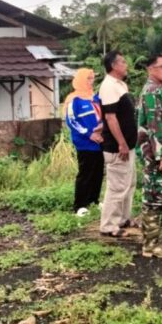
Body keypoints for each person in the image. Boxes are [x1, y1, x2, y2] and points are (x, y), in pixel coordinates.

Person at [136, 54, 162, 258]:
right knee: (154, 197)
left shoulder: (157, 90)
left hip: (156, 154)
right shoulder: (151, 92)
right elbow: (154, 127)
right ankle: (150, 246)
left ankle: (152, 239)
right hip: (155, 156)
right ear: (151, 69)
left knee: (156, 195)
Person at [99, 50, 137, 237]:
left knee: (128, 184)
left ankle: (123, 218)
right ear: (114, 66)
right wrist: (121, 143)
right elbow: (111, 117)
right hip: (117, 148)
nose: (126, 64)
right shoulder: (108, 86)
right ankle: (108, 225)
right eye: (123, 62)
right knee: (117, 187)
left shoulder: (120, 84)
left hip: (128, 146)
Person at [64, 68, 104, 217]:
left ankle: (93, 200)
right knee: (85, 173)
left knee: (98, 172)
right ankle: (80, 205)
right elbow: (71, 121)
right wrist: (89, 134)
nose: (91, 81)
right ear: (80, 79)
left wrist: (102, 131)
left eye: (93, 78)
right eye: (88, 78)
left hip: (100, 142)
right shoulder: (73, 99)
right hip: (85, 143)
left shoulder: (94, 98)